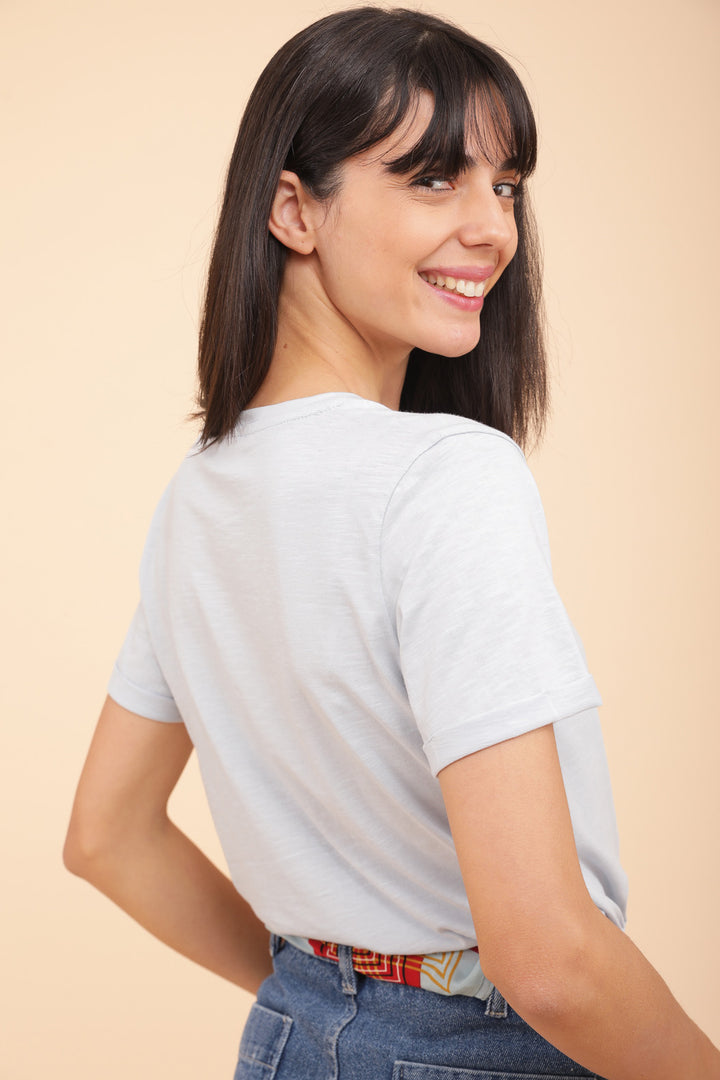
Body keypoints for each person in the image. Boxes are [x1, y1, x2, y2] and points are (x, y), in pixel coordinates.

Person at [64, 7, 720, 1078]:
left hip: (291, 1041)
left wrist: (333, 1002)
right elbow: (549, 959)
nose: (493, 229)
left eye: (504, 187)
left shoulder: (199, 496)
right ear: (293, 210)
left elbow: (105, 835)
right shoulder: (446, 475)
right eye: (432, 179)